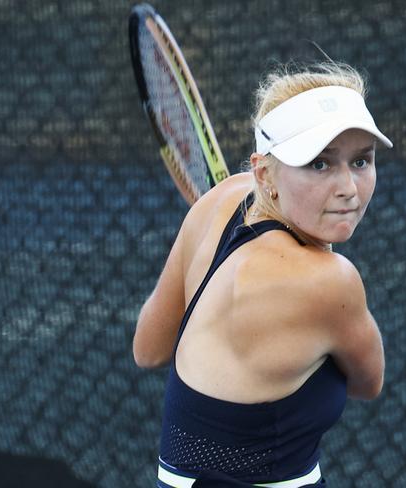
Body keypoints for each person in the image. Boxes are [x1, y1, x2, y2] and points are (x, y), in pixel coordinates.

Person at [133, 61, 391, 487]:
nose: (348, 187)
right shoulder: (331, 281)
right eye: (320, 165)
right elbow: (368, 383)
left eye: (361, 161)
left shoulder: (220, 199)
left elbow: (149, 349)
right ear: (264, 172)